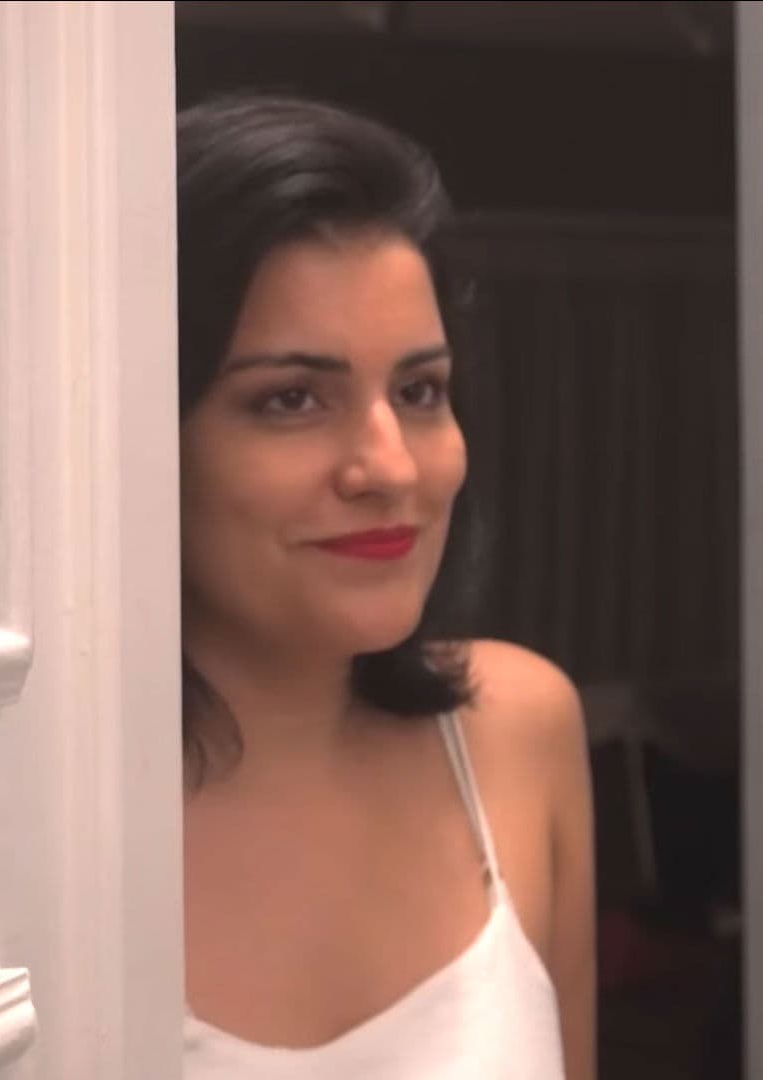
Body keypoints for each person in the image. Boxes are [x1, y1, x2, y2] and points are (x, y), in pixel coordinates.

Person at [176, 95, 594, 1078]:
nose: (391, 466)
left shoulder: (517, 733)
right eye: (291, 398)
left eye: (418, 391)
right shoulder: (35, 816)